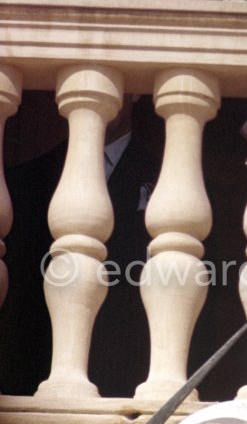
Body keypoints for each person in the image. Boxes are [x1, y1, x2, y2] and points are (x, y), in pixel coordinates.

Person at [0, 94, 162, 397]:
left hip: (131, 393)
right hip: (31, 386)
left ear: (137, 90)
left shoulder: (170, 189)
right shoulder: (21, 185)